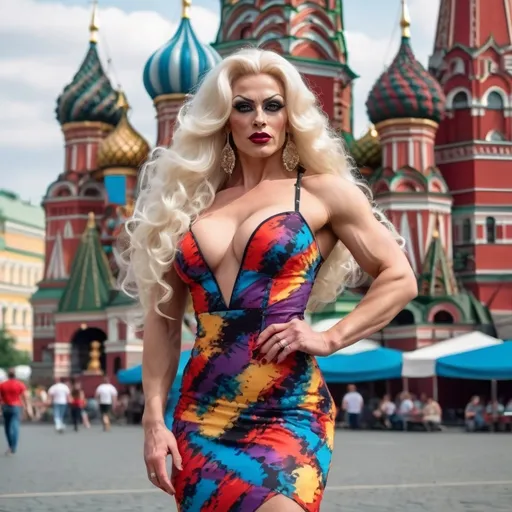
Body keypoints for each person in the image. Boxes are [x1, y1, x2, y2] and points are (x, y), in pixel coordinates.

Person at [118, 48, 417, 511]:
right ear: (223, 118)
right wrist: (153, 421)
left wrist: (330, 337)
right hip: (202, 413)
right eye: (243, 106)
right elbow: (161, 322)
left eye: (272, 106)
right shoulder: (186, 207)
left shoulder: (322, 192)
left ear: (290, 116)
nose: (259, 118)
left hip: (287, 407)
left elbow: (399, 277)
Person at [0, 368, 30, 455]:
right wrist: (26, 407)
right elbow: (25, 396)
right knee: (15, 426)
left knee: (7, 427)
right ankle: (14, 446)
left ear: (8, 375)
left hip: (6, 406)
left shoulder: (2, 385)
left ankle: (10, 445)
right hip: (16, 406)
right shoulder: (20, 384)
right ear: (15, 375)